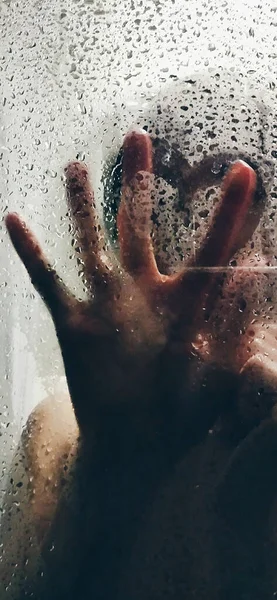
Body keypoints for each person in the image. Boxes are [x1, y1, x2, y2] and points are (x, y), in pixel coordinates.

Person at [2, 129, 277, 599]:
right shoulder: (58, 430)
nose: (196, 237)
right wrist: (112, 464)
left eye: (245, 212)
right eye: (171, 202)